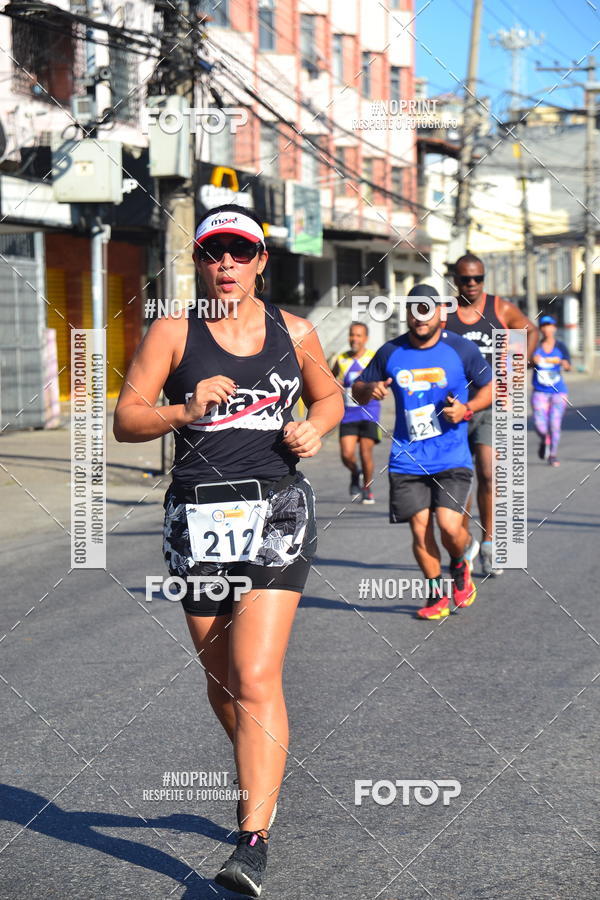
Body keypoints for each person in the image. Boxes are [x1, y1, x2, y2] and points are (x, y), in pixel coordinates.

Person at [113, 204, 343, 897]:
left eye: (241, 254)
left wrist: (316, 427)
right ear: (200, 262)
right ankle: (260, 760)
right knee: (223, 684)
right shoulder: (174, 330)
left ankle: (252, 838)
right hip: (198, 514)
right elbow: (126, 418)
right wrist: (183, 411)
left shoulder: (293, 331)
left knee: (254, 672)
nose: (227, 266)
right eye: (215, 254)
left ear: (260, 262)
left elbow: (328, 397)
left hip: (276, 506)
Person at [352, 284, 492, 620]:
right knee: (419, 529)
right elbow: (356, 389)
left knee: (448, 526)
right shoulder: (390, 352)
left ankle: (459, 563)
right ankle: (436, 595)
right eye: (414, 309)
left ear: (441, 313)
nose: (420, 317)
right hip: (407, 458)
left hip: (451, 457)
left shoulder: (462, 349)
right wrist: (369, 389)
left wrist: (467, 410)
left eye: (427, 309)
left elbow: (491, 387)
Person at [444, 253, 538, 577]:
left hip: (492, 403)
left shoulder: (499, 309)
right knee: (460, 479)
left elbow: (529, 331)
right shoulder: (445, 314)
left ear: (484, 279)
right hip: (453, 407)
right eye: (465, 279)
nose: (471, 284)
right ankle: (464, 543)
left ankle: (489, 542)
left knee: (487, 471)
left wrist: (519, 361)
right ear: (455, 279)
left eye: (477, 279)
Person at [331, 322, 381, 503]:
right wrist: (335, 385)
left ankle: (367, 487)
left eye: (359, 335)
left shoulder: (373, 357)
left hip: (370, 412)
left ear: (365, 338)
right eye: (352, 335)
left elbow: (382, 379)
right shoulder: (341, 358)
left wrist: (379, 386)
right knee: (346, 454)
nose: (354, 339)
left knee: (366, 453)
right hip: (348, 413)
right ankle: (355, 473)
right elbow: (331, 378)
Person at [531, 314, 571, 467]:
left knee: (555, 424)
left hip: (558, 391)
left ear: (554, 328)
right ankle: (544, 439)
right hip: (539, 391)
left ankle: (553, 454)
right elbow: (524, 363)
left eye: (550, 325)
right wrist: (531, 362)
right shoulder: (535, 347)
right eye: (544, 326)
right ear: (541, 329)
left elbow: (568, 365)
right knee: (540, 425)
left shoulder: (560, 346)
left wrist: (563, 363)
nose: (548, 329)